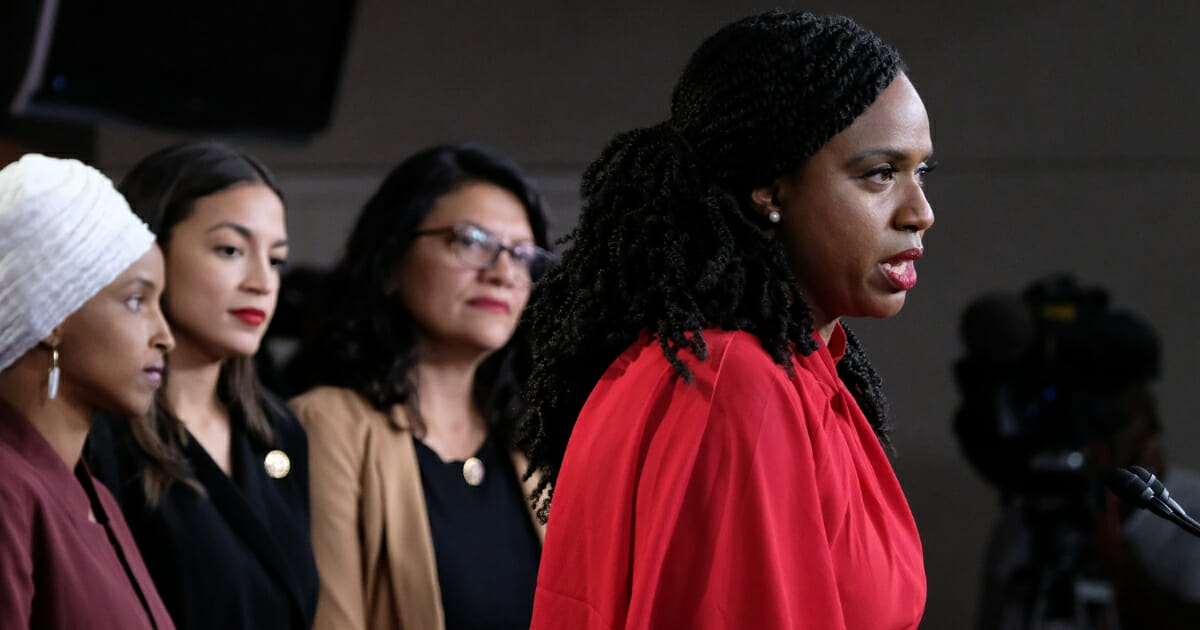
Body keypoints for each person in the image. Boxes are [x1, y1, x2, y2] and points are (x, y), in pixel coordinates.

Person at [518, 10, 934, 630]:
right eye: (879, 174)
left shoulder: (777, 370)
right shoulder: (736, 383)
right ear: (770, 187)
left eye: (920, 172)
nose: (919, 212)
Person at [289, 143, 553, 630]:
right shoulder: (327, 424)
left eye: (521, 255)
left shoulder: (535, 446)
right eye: (471, 240)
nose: (502, 274)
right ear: (391, 263)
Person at [84, 141, 319, 630]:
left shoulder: (278, 431)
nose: (262, 281)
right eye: (230, 250)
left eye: (275, 259)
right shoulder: (97, 431)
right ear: (150, 251)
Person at [0, 154, 176, 629]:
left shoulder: (93, 493)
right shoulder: (8, 490)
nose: (165, 335)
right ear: (52, 315)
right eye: (136, 301)